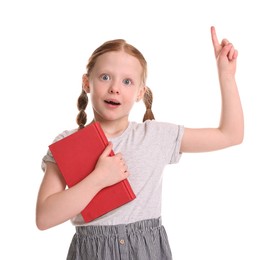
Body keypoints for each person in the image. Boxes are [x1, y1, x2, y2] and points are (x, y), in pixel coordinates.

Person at [36, 26, 244, 260]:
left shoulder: (155, 136)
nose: (115, 87)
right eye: (105, 77)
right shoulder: (68, 144)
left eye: (127, 81)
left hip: (147, 251)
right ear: (87, 83)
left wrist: (226, 75)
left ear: (139, 92)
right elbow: (44, 218)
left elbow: (230, 135)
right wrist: (99, 179)